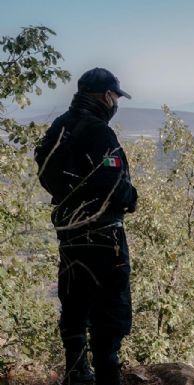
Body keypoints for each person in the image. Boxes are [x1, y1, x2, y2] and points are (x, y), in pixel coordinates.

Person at [35, 68, 138, 385]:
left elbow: (46, 171)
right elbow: (115, 185)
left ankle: (77, 371)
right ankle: (108, 375)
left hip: (69, 232)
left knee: (75, 301)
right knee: (111, 312)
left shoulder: (58, 128)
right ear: (107, 95)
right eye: (116, 97)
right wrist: (131, 196)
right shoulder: (99, 132)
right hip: (104, 235)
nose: (115, 103)